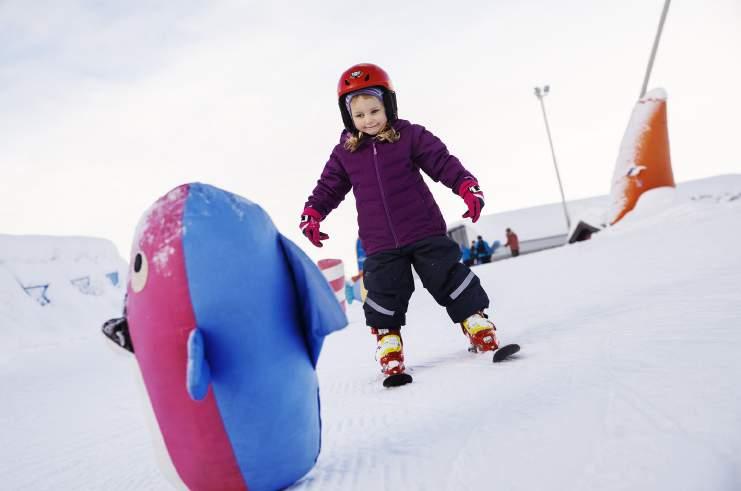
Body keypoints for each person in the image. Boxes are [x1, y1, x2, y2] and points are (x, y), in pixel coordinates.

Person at [299, 63, 504, 384]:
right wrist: (313, 212)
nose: (368, 120)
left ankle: (475, 322)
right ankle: (388, 342)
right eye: (360, 115)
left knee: (448, 276)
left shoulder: (409, 136)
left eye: (374, 110)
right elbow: (328, 187)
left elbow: (441, 161)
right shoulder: (345, 153)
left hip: (423, 229)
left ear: (389, 106)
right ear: (348, 118)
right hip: (379, 241)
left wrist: (465, 185)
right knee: (383, 291)